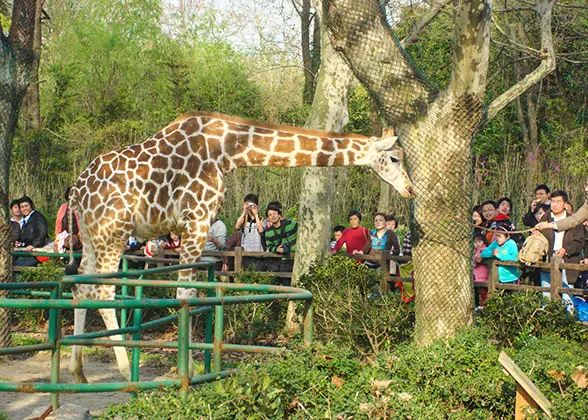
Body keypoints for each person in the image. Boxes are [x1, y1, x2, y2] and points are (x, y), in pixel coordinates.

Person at [535, 190, 583, 311]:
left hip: (567, 258)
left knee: (567, 293)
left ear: (565, 203)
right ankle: (548, 321)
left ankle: (568, 323)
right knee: (546, 292)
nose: (555, 204)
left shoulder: (573, 219)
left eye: (558, 201)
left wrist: (566, 250)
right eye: (553, 201)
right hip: (548, 258)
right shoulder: (545, 218)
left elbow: (580, 241)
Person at [264, 202, 297, 281]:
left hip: (297, 258)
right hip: (283, 261)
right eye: (270, 215)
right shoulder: (268, 232)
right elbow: (269, 246)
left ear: (279, 215)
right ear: (268, 218)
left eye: (274, 214)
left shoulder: (290, 224)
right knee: (285, 283)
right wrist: (277, 249)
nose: (273, 216)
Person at [15, 196, 50, 267]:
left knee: (18, 268)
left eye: (26, 206)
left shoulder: (38, 217)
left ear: (31, 205)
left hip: (35, 252)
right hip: (26, 251)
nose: (24, 209)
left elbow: (42, 233)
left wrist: (33, 245)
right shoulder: (25, 219)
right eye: (22, 207)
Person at [234, 193, 265, 271]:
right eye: (247, 204)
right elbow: (237, 226)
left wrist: (256, 214)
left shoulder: (262, 220)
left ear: (256, 205)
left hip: (259, 254)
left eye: (251, 204)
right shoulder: (244, 219)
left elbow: (261, 230)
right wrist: (244, 211)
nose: (250, 206)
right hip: (246, 254)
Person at [54, 186, 82, 253]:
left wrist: (79, 238)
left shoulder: (81, 208)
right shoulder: (63, 207)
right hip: (64, 239)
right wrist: (56, 239)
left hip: (78, 241)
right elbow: (58, 225)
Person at [472, 234, 489, 306]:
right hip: (477, 277)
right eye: (475, 242)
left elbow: (476, 261)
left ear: (484, 242)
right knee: (479, 294)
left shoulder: (484, 250)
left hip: (483, 277)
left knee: (483, 294)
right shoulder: (475, 251)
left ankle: (483, 306)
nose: (477, 244)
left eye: (479, 241)